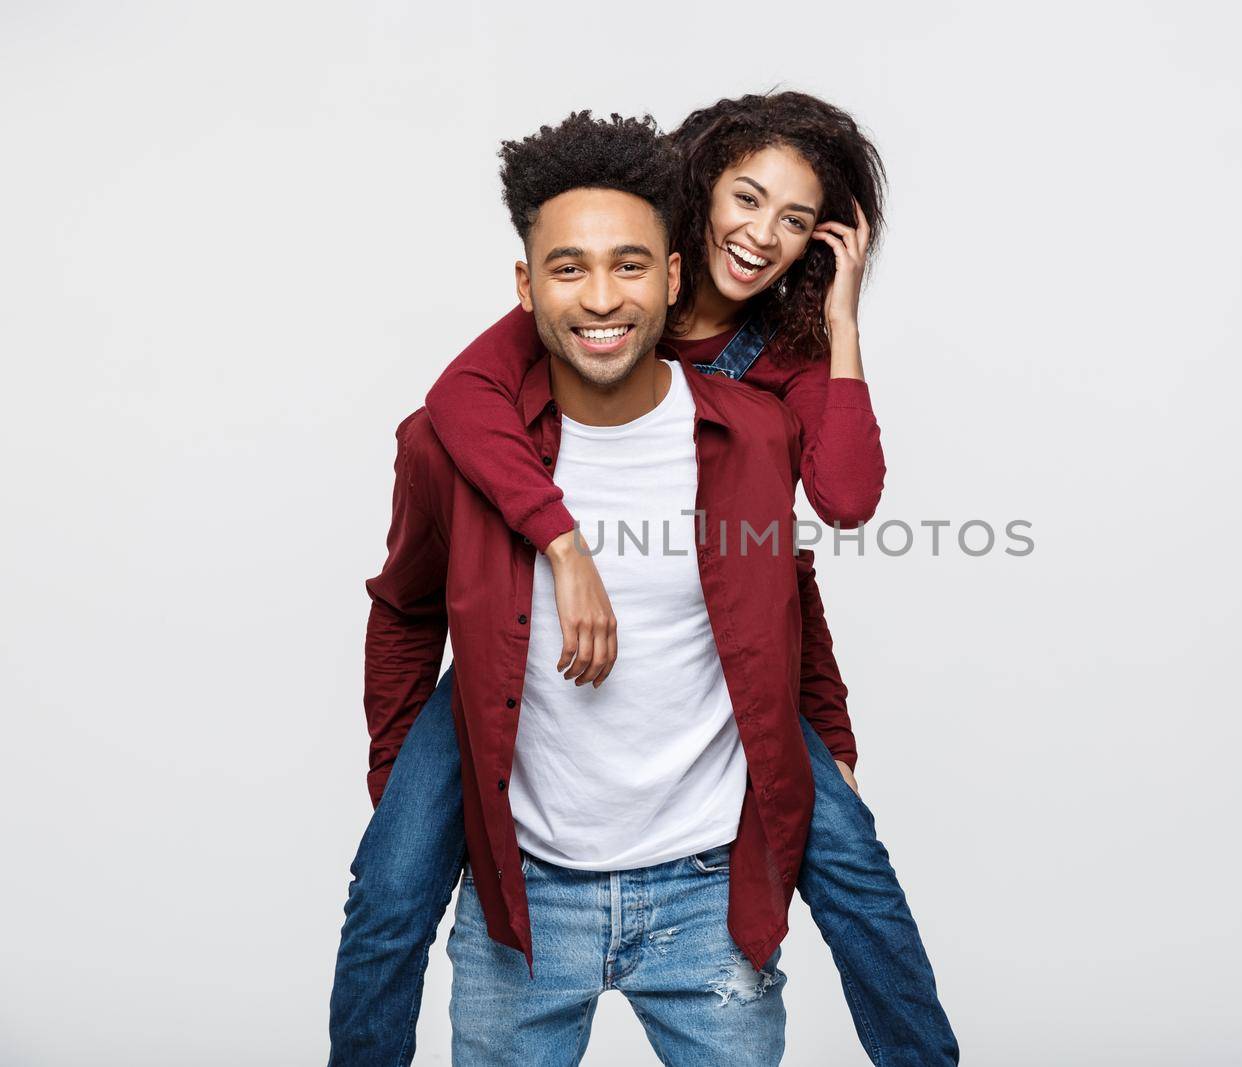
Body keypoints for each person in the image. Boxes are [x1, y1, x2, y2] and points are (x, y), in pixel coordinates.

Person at [330, 94, 957, 1066]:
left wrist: (841, 319)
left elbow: (821, 522)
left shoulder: (773, 378)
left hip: (720, 652)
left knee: (855, 869)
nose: (761, 235)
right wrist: (561, 545)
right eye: (747, 199)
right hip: (515, 644)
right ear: (695, 197)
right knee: (389, 889)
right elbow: (454, 405)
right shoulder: (596, 293)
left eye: (795, 222)